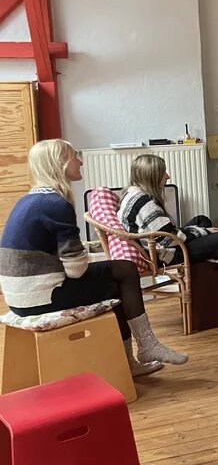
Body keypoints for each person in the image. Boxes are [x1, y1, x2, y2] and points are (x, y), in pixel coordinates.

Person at [0, 139, 188, 377]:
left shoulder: (30, 200)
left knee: (116, 279)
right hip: (42, 296)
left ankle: (132, 360)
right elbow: (76, 270)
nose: (80, 160)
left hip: (20, 298)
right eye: (74, 155)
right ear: (60, 162)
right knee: (125, 272)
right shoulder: (55, 204)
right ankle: (145, 347)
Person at [119, 154, 218, 266]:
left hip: (160, 242)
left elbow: (166, 233)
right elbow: (169, 240)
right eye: (163, 173)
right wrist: (204, 232)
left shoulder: (131, 193)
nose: (167, 176)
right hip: (167, 255)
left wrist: (199, 230)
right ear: (152, 177)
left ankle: (206, 253)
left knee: (201, 220)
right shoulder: (145, 204)